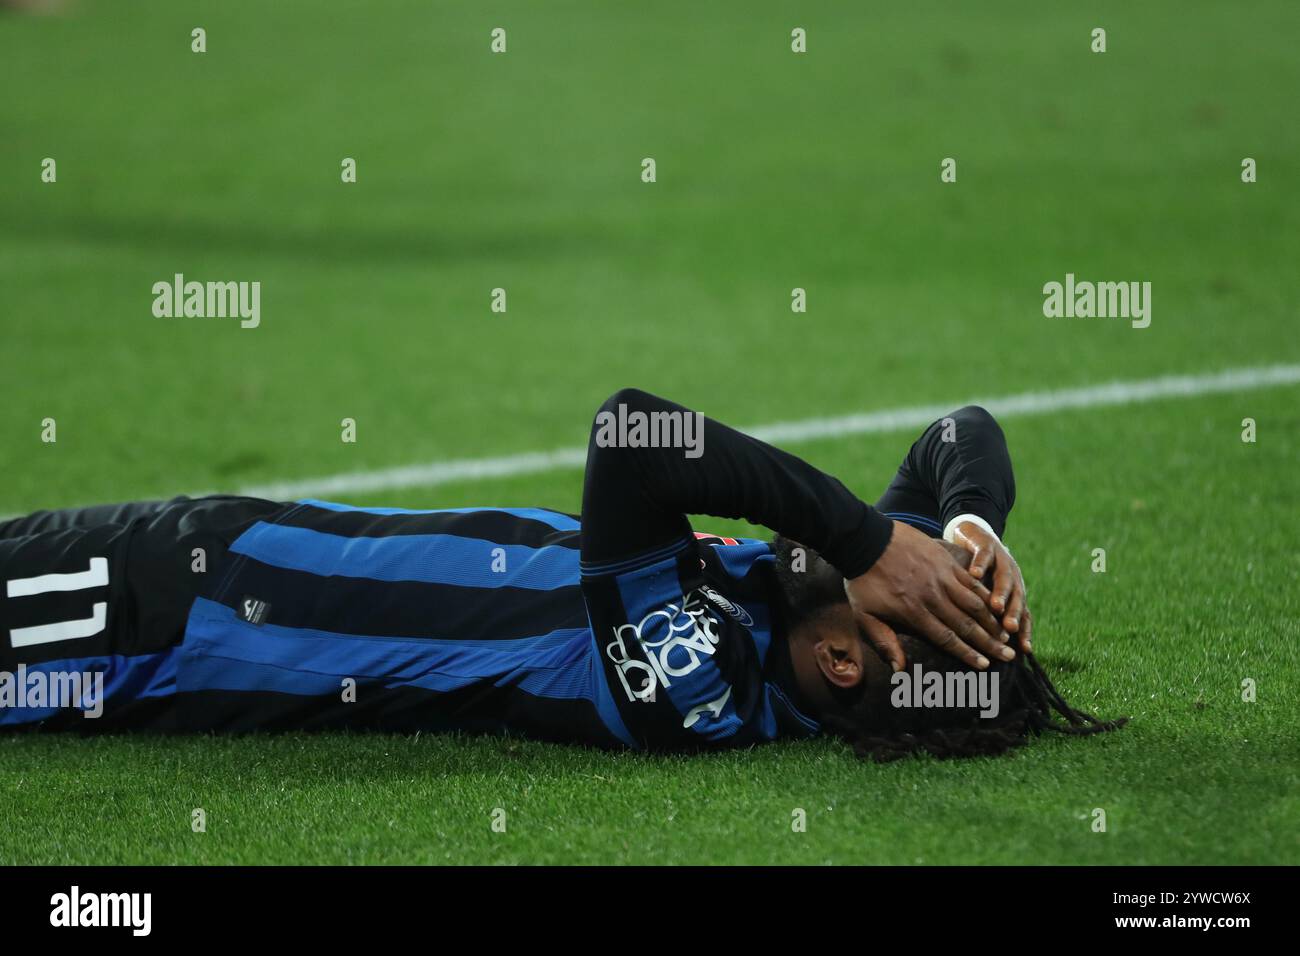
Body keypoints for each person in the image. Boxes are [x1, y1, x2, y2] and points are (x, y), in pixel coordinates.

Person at [0, 389, 1122, 757]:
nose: (905, 566)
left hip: (148, 625)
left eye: (924, 599)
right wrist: (973, 526)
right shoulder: (803, 594)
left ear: (848, 655)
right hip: (206, 553)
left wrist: (873, 544)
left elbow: (631, 435)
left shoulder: (700, 683)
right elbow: (957, 428)